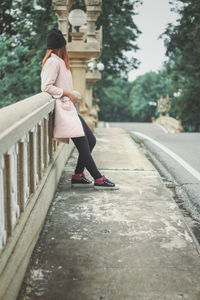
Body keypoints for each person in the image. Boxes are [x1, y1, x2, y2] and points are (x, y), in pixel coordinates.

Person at [41, 28, 119, 190]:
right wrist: (68, 93)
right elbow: (46, 87)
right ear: (61, 46)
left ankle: (78, 175)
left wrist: (69, 95)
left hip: (70, 110)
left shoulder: (59, 62)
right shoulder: (52, 62)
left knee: (90, 140)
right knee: (84, 143)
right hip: (63, 111)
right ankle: (98, 178)